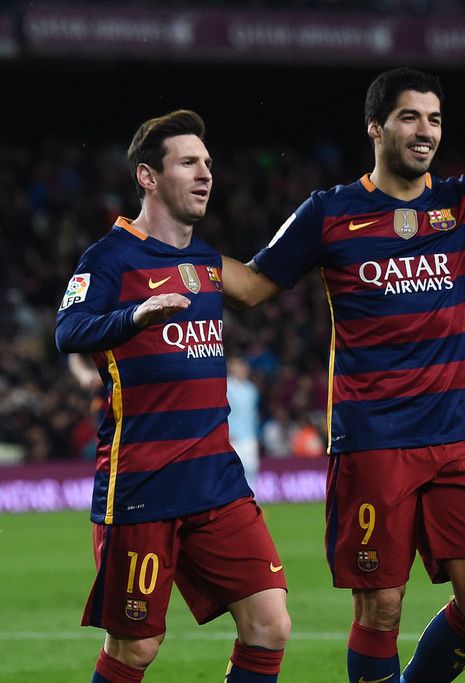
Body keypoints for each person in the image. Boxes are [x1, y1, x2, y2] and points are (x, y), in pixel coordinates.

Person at [222, 55, 465, 683]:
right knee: (381, 608)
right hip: (372, 441)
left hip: (454, 436)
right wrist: (175, 258)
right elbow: (252, 287)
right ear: (376, 127)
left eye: (435, 120)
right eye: (410, 118)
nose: (425, 131)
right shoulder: (329, 212)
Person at [55, 110, 291, 683]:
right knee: (136, 648)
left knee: (269, 623)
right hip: (143, 484)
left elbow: (261, 282)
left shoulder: (206, 263)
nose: (206, 173)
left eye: (207, 163)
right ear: (149, 176)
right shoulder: (110, 258)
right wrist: (133, 316)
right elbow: (68, 330)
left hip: (216, 479)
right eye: (188, 162)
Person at [227, 356, 262, 491]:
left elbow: (253, 415)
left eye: (243, 366)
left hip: (249, 436)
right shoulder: (226, 387)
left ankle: (253, 499)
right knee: (234, 471)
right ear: (231, 368)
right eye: (239, 366)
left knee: (251, 469)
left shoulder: (251, 389)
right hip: (233, 436)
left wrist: (256, 435)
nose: (242, 369)